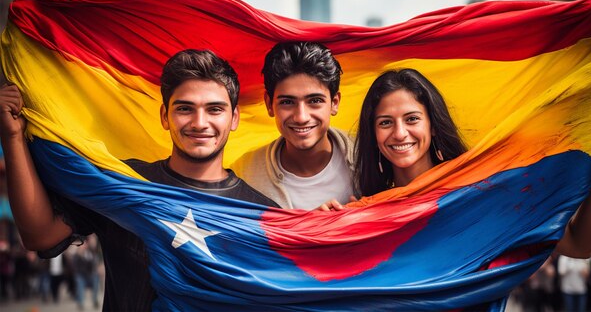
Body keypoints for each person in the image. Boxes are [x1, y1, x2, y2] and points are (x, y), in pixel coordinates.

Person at [0, 49, 278, 311]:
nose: (199, 122)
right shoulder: (124, 182)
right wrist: (12, 137)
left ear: (234, 118)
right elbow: (39, 235)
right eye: (184, 109)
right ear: (165, 116)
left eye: (214, 109)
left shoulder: (263, 212)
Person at [353, 68, 591, 259]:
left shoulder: (479, 194)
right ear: (373, 134)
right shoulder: (369, 212)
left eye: (412, 119)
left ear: (433, 126)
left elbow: (580, 246)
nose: (400, 133)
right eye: (386, 122)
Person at [232, 42, 356, 210]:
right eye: (287, 102)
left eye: (315, 101)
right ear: (269, 104)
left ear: (335, 103)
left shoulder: (370, 156)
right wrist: (308, 226)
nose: (301, 117)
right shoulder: (243, 174)